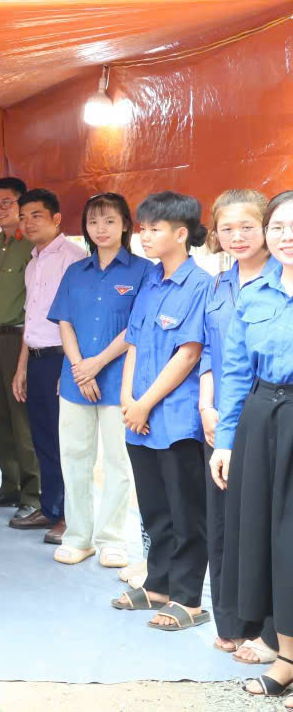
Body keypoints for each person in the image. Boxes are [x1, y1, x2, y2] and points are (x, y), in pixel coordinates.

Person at [111, 191, 211, 632]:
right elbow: (134, 341)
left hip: (175, 418)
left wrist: (145, 403)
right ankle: (158, 586)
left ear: (181, 233)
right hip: (140, 417)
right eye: (143, 228)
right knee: (154, 509)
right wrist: (128, 399)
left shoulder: (200, 284)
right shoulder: (151, 279)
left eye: (155, 229)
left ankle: (188, 599)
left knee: (186, 512)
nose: (145, 236)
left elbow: (188, 354)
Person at [212, 189, 293, 701]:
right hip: (263, 418)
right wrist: (225, 442)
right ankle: (287, 656)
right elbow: (237, 374)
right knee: (271, 540)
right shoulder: (255, 293)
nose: (287, 237)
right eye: (279, 227)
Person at [48, 193, 148, 568]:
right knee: (74, 458)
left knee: (119, 461)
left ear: (126, 225)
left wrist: (97, 364)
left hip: (121, 380)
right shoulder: (76, 271)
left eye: (109, 221)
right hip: (76, 380)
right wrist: (79, 367)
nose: (100, 228)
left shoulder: (144, 271)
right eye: (93, 221)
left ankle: (112, 539)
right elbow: (64, 322)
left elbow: (136, 326)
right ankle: (78, 537)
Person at [9, 189, 88, 543]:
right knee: (42, 438)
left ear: (56, 219)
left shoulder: (74, 259)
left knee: (66, 441)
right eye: (23, 216)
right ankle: (51, 508)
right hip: (37, 359)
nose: (27, 223)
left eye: (36, 215)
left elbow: (81, 318)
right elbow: (32, 319)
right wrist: (22, 367)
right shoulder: (32, 262)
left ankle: (72, 517)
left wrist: (73, 366)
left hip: (62, 359)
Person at [0, 178, 41, 521]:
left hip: (20, 340)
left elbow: (35, 303)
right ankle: (10, 485)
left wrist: (24, 355)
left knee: (22, 420)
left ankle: (34, 495)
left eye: (6, 203)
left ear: (21, 204)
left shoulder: (32, 245)